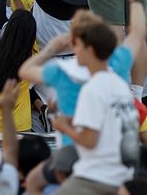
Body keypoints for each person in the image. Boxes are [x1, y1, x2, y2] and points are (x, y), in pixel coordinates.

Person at [51, 13, 139, 193]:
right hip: (123, 174)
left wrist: (63, 127)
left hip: (96, 178)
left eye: (77, 44)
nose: (74, 50)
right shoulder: (121, 86)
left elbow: (89, 141)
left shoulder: (92, 89)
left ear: (89, 50)